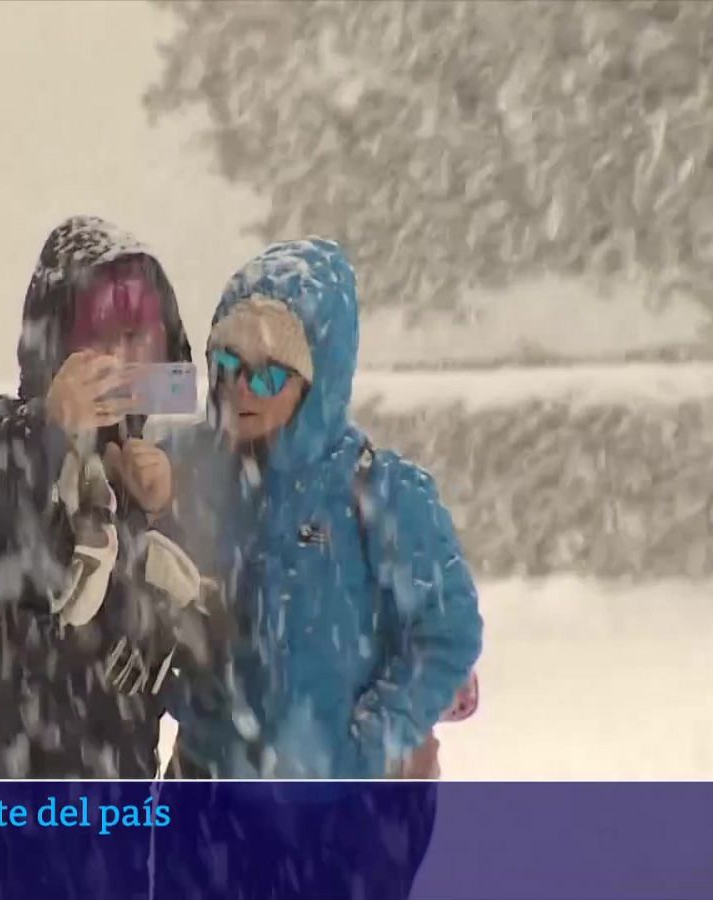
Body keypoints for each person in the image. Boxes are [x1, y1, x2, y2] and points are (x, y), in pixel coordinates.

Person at [0, 215, 223, 780]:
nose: (118, 357)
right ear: (54, 345)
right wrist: (47, 431)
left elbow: (179, 664)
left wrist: (163, 519)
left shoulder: (145, 475)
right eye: (98, 338)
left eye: (138, 339)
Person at [169, 237, 483, 780]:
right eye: (226, 361)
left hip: (339, 811)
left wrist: (368, 740)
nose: (240, 388)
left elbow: (446, 635)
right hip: (207, 802)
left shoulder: (381, 493)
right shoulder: (180, 472)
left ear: (318, 385)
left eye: (269, 375)